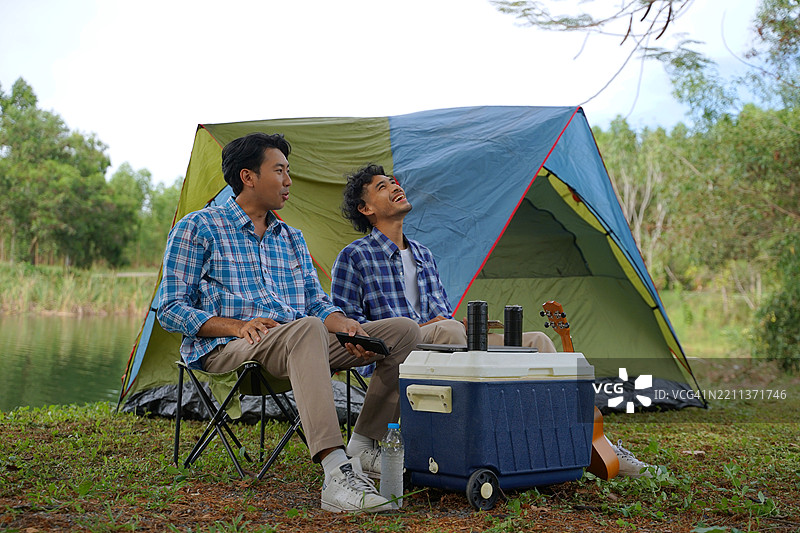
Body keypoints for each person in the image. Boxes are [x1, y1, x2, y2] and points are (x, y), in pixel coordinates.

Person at [330, 163, 656, 479]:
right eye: (382, 186)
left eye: (393, 181)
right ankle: (371, 443)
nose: (395, 186)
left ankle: (576, 438)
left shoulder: (423, 255)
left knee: (536, 343)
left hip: (448, 344)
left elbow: (442, 314)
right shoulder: (355, 256)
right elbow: (350, 324)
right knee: (449, 329)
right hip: (400, 355)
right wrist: (419, 328)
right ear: (365, 208)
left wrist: (456, 325)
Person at [157, 135, 421, 513]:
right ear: (248, 176)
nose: (288, 181)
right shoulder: (198, 227)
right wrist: (234, 326)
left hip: (299, 341)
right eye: (279, 171)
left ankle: (363, 447)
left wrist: (343, 323)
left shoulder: (291, 238)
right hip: (232, 346)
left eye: (288, 171)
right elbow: (170, 307)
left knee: (403, 332)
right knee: (307, 328)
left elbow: (315, 303)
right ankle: (335, 474)